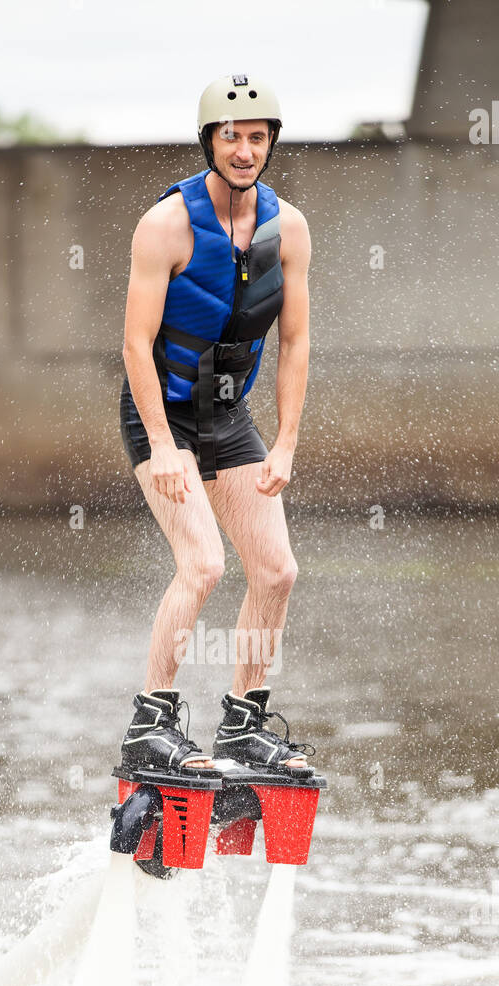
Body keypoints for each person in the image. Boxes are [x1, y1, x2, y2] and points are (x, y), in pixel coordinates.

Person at [119, 74, 314, 778]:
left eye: (256, 137)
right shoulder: (165, 224)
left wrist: (286, 439)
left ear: (270, 145)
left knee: (276, 570)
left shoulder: (286, 228)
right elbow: (135, 345)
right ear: (209, 141)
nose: (243, 149)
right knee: (202, 565)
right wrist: (165, 448)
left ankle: (243, 724)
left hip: (229, 417)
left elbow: (295, 341)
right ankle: (152, 722)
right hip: (163, 417)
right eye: (230, 136)